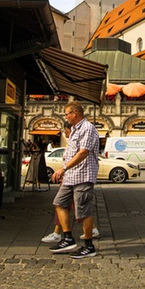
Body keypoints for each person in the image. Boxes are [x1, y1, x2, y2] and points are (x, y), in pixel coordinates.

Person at [49, 101, 100, 258]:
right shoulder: (75, 129)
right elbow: (71, 153)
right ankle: (68, 238)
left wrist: (63, 169)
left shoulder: (87, 128)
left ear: (75, 113)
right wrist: (65, 173)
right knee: (59, 203)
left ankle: (89, 246)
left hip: (83, 175)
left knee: (83, 211)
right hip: (71, 176)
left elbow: (83, 152)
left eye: (67, 114)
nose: (65, 117)